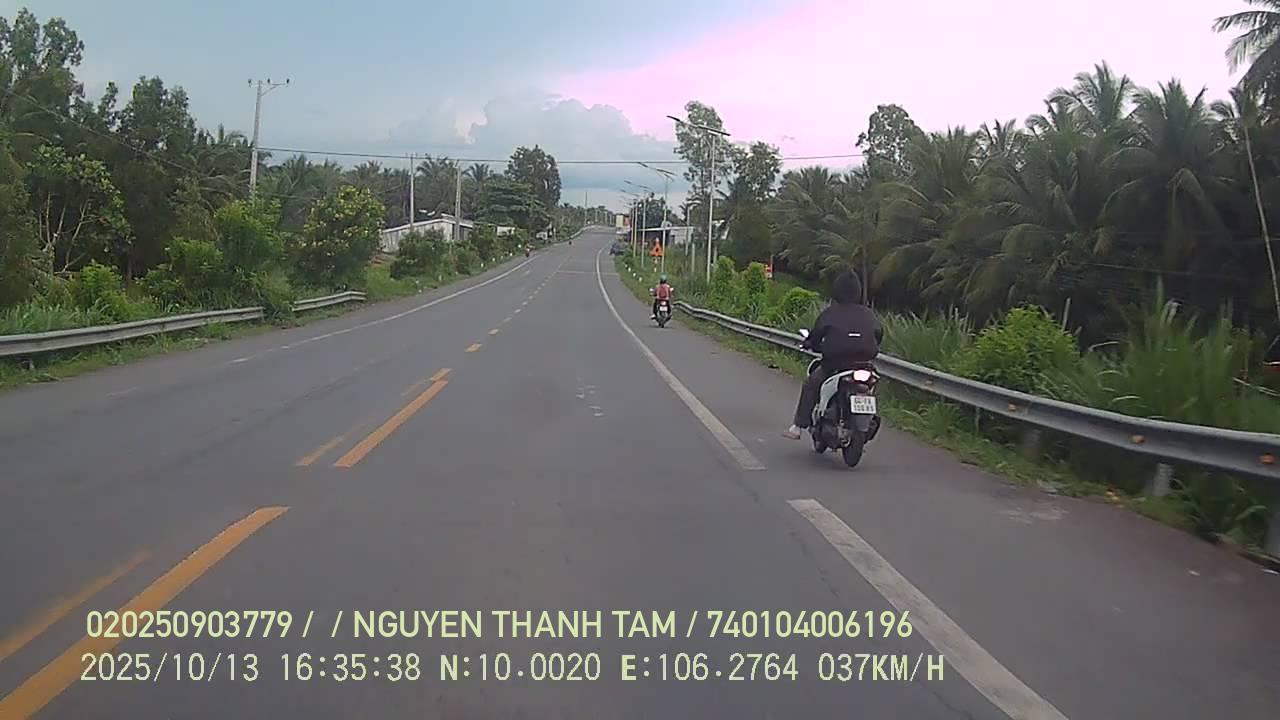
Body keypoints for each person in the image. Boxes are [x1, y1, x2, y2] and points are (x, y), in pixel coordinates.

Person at [783, 270, 882, 439]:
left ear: (836, 290)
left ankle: (798, 426)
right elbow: (879, 335)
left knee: (811, 384)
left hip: (835, 364)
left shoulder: (830, 313)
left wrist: (811, 344)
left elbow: (816, 336)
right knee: (872, 384)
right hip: (864, 364)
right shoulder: (869, 314)